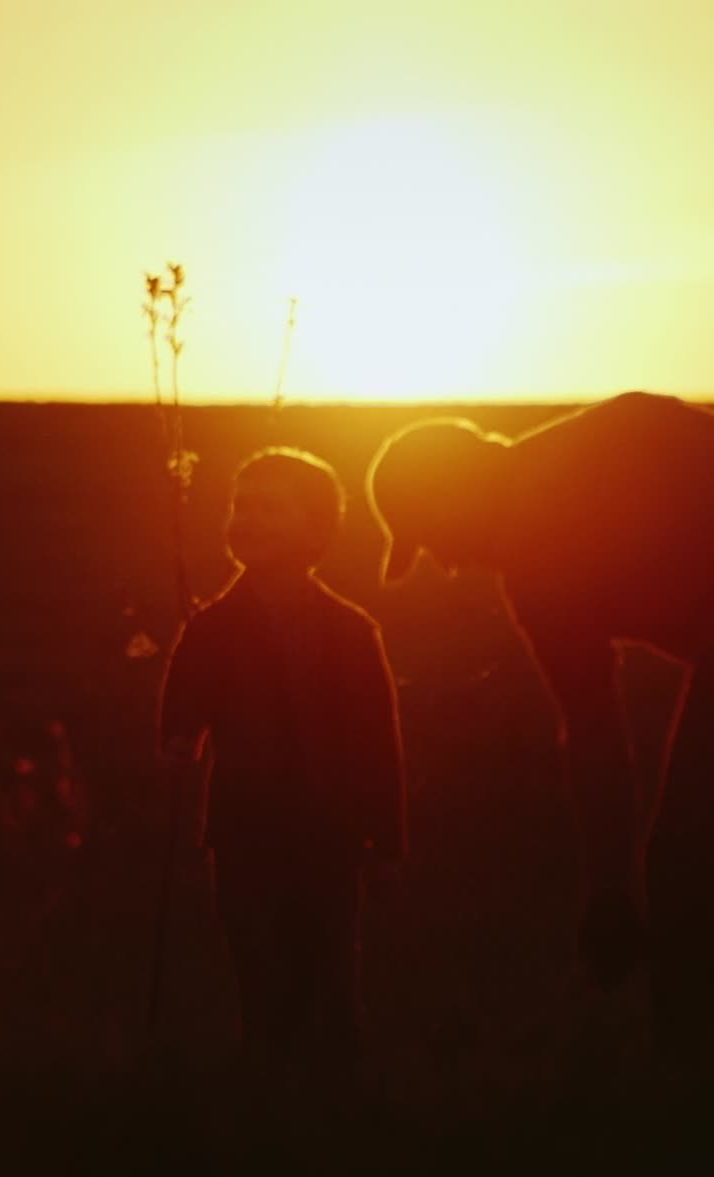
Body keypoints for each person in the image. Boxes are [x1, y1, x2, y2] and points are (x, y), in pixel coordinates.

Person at [365, 390, 714, 1059]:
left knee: (687, 855)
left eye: (429, 536)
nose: (443, 561)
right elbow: (594, 730)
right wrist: (609, 885)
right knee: (686, 850)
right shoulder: (573, 459)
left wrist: (610, 891)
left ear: (453, 499)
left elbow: (595, 732)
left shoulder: (536, 555)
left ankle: (686, 1073)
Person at [158, 447, 407, 1074]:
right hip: (245, 835)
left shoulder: (351, 631)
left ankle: (333, 1116)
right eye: (242, 507)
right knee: (262, 982)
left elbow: (380, 744)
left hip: (332, 838)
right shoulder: (210, 630)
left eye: (271, 508)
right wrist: (176, 740)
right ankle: (273, 1111)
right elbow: (178, 729)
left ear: (315, 526)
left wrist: (388, 842)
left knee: (333, 986)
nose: (249, 519)